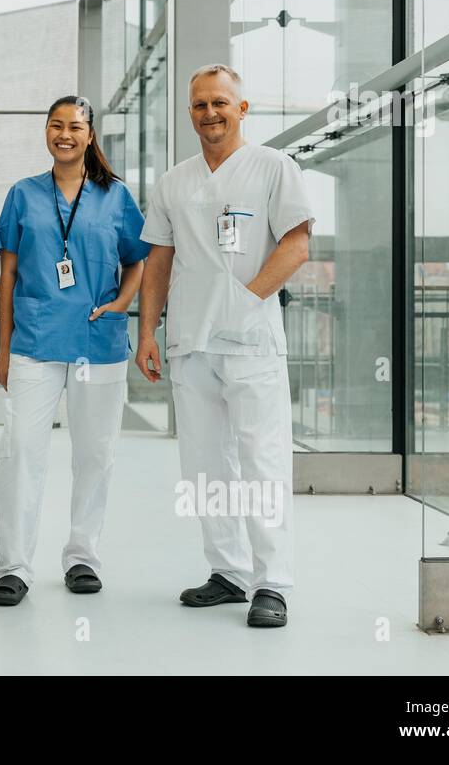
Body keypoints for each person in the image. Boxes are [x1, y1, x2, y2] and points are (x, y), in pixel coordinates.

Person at [135, 63, 313, 629]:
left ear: (242, 108)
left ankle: (272, 582)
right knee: (206, 464)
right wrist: (147, 331)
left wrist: (246, 299)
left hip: (252, 341)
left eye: (219, 103)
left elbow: (297, 244)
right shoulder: (174, 181)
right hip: (191, 340)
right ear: (189, 113)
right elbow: (158, 259)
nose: (209, 113)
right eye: (199, 105)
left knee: (262, 460)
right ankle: (228, 571)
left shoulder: (273, 168)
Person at [0, 96, 149, 606]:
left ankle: (82, 556)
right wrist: (3, 348)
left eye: (74, 127)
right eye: (56, 125)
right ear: (47, 132)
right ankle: (14, 566)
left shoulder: (116, 196)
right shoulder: (23, 194)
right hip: (34, 343)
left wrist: (122, 304)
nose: (64, 134)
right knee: (20, 453)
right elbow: (8, 275)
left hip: (97, 344)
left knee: (95, 455)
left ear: (90, 134)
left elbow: (136, 261)